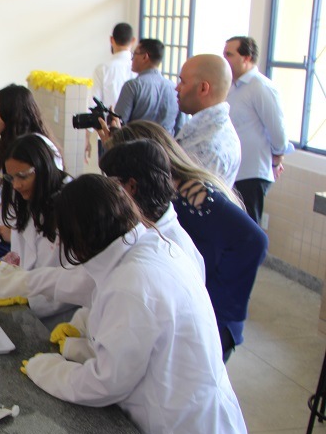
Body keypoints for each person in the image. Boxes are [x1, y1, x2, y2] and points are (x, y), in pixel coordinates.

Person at [18, 174, 251, 434]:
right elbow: (129, 329)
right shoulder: (145, 246)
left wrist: (46, 370)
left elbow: (106, 382)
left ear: (81, 235)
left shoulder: (131, 282)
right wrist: (82, 346)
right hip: (193, 411)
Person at [105, 122, 268, 362]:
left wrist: (215, 307)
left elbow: (254, 241)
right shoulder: (162, 193)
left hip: (214, 320)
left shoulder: (191, 192)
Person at [98, 139, 205, 277]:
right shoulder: (147, 226)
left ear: (131, 186)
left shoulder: (170, 247)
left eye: (111, 184)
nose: (107, 192)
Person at [0, 134, 73, 319]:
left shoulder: (70, 206)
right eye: (11, 178)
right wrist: (2, 276)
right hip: (30, 303)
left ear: (43, 168)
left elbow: (72, 278)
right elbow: (20, 255)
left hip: (61, 312)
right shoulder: (27, 199)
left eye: (22, 176)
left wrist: (26, 298)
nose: (16, 185)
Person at [224, 36, 293, 224]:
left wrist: (277, 158)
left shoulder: (260, 86)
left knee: (247, 228)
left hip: (251, 173)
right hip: (233, 171)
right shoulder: (232, 86)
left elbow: (278, 130)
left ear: (246, 58)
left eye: (229, 54)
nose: (225, 59)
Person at [174, 54, 241, 185]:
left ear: (203, 88)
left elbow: (184, 191)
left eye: (183, 82)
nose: (177, 88)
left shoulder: (209, 145)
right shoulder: (204, 127)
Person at [112, 39, 182, 133]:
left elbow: (118, 124)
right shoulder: (174, 88)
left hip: (135, 141)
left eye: (134, 54)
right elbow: (179, 127)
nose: (132, 59)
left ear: (145, 57)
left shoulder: (133, 86)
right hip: (166, 141)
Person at [88, 22, 136, 160]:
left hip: (108, 133)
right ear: (133, 41)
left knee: (109, 171)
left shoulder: (103, 69)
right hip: (134, 134)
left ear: (111, 39)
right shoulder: (137, 70)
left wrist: (87, 137)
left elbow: (94, 104)